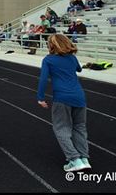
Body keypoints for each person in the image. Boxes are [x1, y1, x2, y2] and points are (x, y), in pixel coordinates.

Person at [36, 34, 91, 172]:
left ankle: (74, 159)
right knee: (79, 127)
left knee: (61, 128)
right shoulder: (72, 58)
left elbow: (43, 79)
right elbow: (79, 69)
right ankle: (84, 158)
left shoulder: (48, 60)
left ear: (51, 45)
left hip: (62, 98)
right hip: (79, 97)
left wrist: (40, 97)